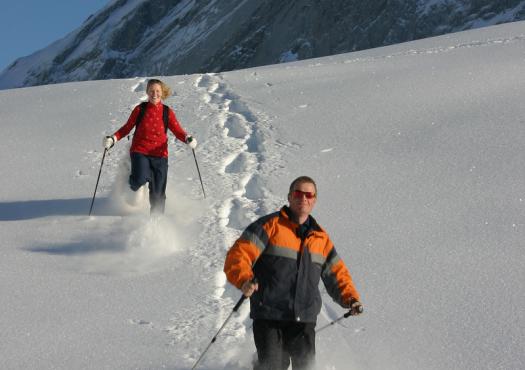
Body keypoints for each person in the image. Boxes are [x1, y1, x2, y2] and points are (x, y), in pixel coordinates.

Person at [224, 176, 363, 370]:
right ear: (289, 197)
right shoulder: (270, 226)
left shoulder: (321, 239)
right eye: (298, 193)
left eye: (308, 195)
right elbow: (237, 256)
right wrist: (245, 279)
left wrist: (351, 299)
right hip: (269, 315)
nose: (303, 198)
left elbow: (337, 273)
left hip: (304, 318)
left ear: (314, 200)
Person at [103, 78, 197, 214]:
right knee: (140, 178)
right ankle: (132, 183)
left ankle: (156, 219)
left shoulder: (167, 112)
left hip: (160, 155)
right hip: (140, 151)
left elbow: (177, 130)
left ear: (162, 92)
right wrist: (113, 138)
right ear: (147, 92)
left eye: (158, 91)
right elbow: (127, 128)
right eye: (151, 91)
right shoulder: (140, 109)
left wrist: (187, 139)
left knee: (158, 192)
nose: (155, 94)